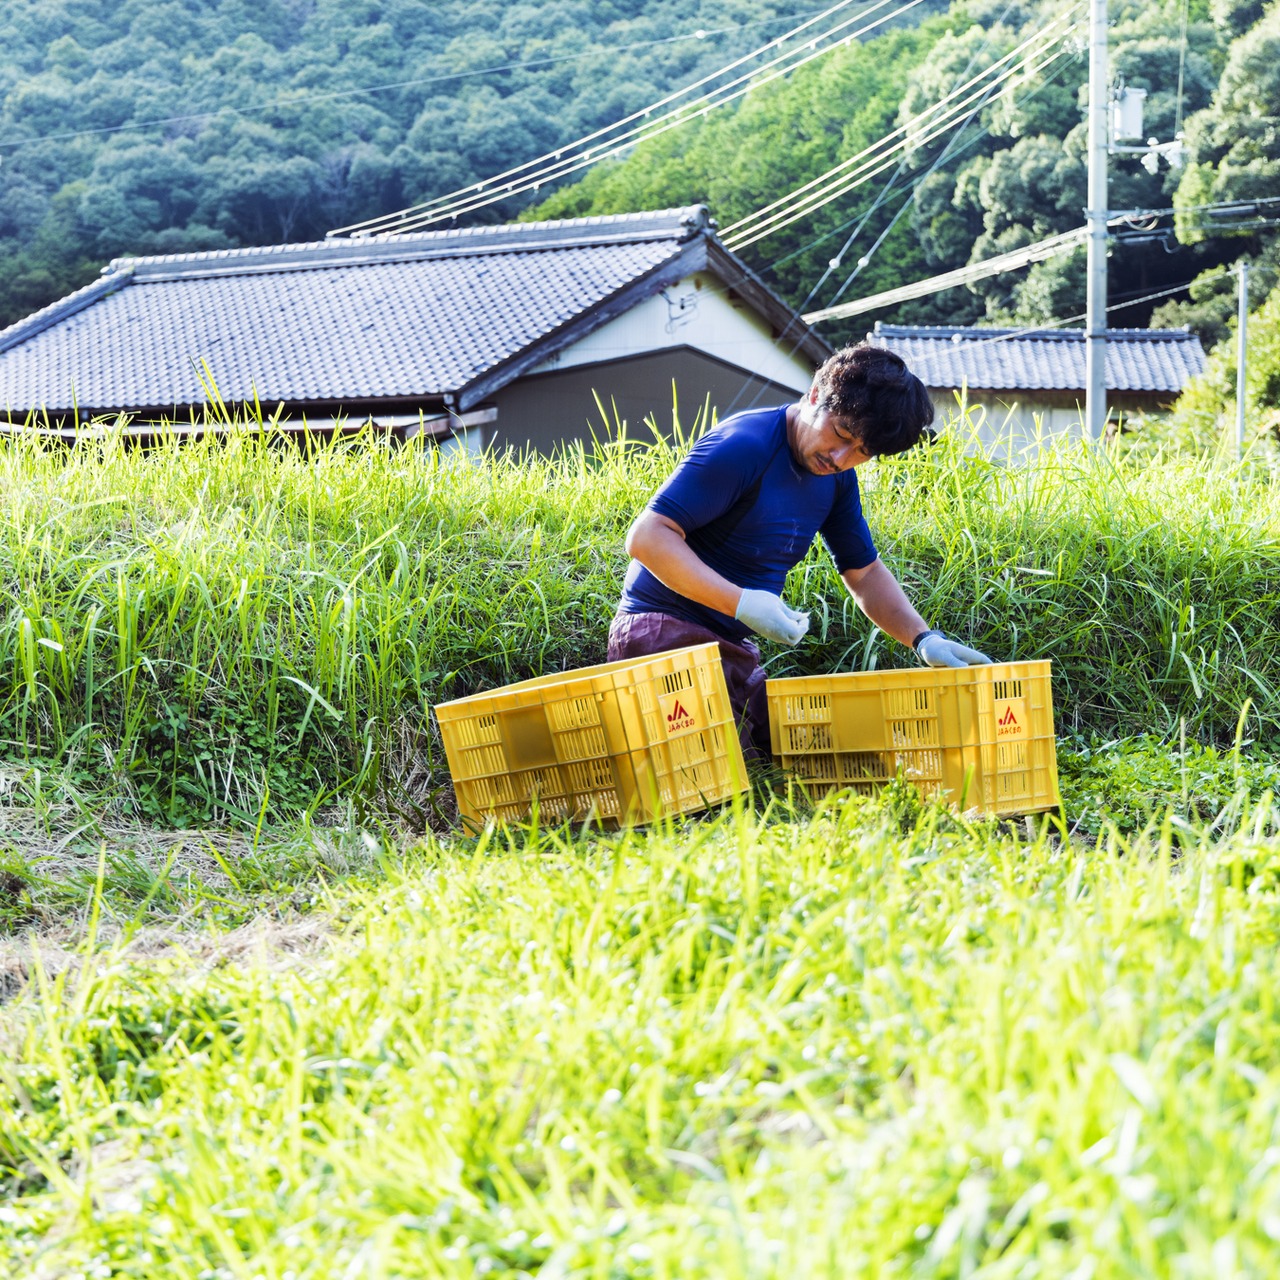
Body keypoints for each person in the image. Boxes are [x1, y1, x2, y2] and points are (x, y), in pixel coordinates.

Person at [607, 343, 992, 758]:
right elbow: (647, 537)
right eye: (841, 434)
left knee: (812, 754)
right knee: (715, 770)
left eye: (862, 452)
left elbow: (863, 572)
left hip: (732, 649)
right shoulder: (745, 445)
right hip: (661, 635)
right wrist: (741, 603)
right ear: (814, 395)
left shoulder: (837, 478)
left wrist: (923, 638)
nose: (840, 457)